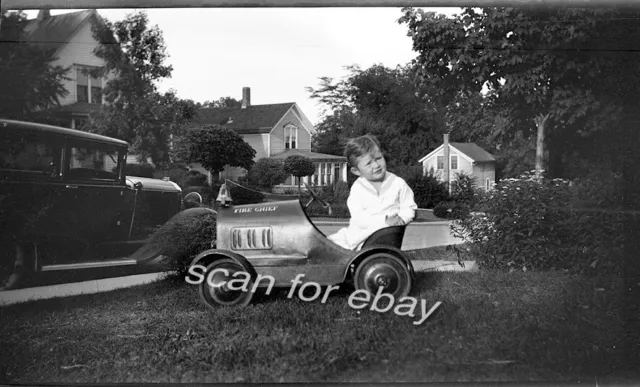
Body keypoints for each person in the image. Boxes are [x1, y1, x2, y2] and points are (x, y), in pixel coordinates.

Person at [328, 134, 417, 250]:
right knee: (329, 243)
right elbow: (358, 217)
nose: (376, 165)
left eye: (379, 158)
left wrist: (401, 220)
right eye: (368, 163)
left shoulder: (398, 183)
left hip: (387, 235)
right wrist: (384, 221)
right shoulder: (358, 188)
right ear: (356, 171)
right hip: (359, 235)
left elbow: (409, 207)